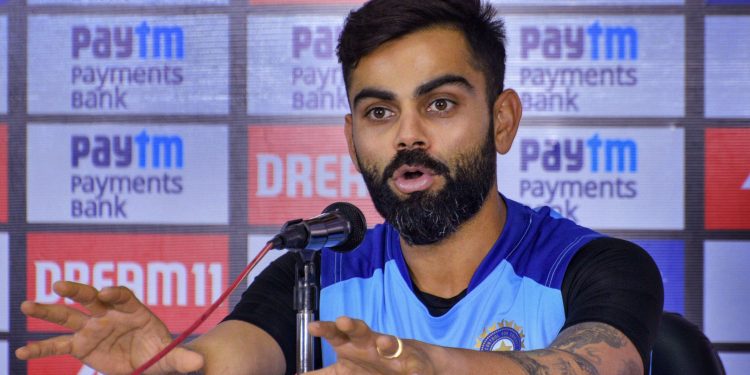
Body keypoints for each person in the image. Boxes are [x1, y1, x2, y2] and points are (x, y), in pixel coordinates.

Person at [16, 0, 663, 374]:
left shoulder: (595, 266)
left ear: (502, 120)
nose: (407, 136)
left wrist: (425, 365)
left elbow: (602, 366)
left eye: (439, 104)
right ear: (352, 137)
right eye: (379, 112)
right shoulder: (314, 277)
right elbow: (228, 359)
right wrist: (169, 366)